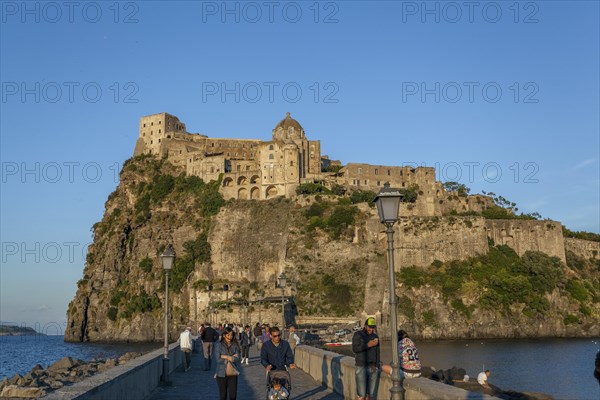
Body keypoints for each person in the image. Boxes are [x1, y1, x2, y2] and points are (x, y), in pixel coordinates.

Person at [352, 317, 380, 400]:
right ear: (365, 326)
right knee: (361, 395)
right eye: (369, 327)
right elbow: (355, 349)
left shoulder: (375, 336)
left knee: (371, 395)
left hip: (373, 367)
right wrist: (368, 345)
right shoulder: (358, 335)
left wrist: (377, 365)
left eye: (373, 327)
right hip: (361, 366)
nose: (371, 329)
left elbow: (378, 352)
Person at [215, 326, 241, 400]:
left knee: (233, 396)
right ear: (224, 335)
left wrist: (225, 357)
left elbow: (238, 358)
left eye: (232, 335)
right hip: (221, 373)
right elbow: (218, 359)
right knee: (223, 396)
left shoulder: (235, 345)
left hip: (233, 372)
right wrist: (230, 358)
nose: (230, 337)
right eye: (228, 335)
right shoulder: (218, 345)